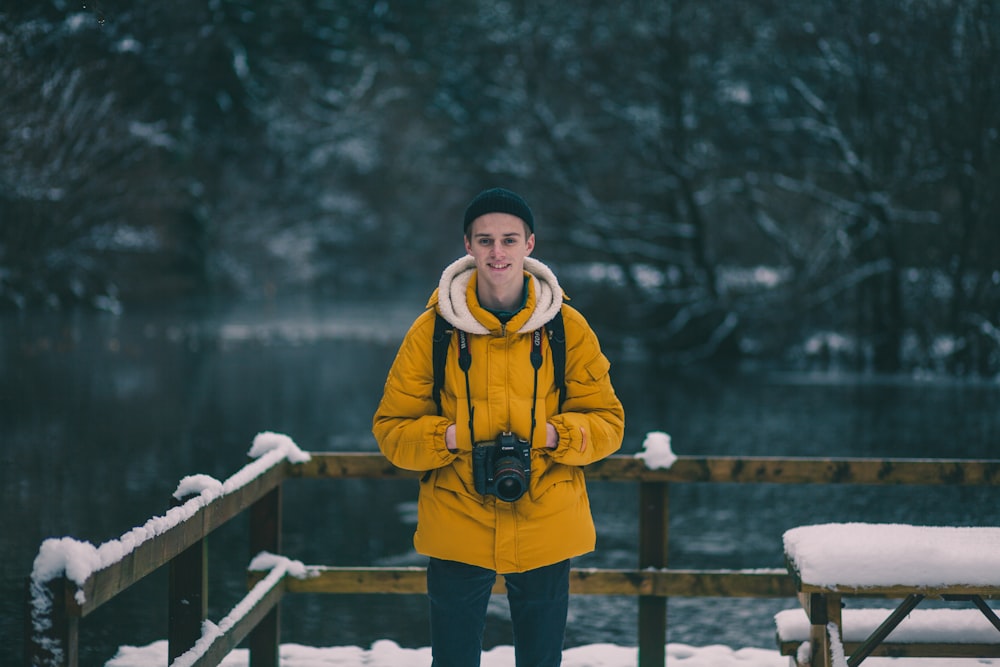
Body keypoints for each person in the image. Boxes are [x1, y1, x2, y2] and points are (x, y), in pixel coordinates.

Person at [372, 187, 625, 667]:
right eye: (484, 240)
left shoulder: (567, 328)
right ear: (467, 245)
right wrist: (448, 438)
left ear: (531, 243)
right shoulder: (434, 330)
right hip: (457, 518)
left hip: (546, 518)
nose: (497, 252)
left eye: (509, 239)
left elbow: (610, 423)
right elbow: (390, 430)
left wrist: (555, 436)